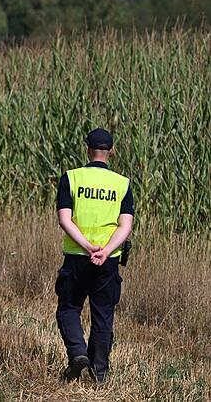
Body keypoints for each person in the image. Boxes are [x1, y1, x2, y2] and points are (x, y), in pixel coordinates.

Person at [55, 128, 134, 383]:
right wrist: (106, 250)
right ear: (111, 151)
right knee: (103, 315)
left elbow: (64, 220)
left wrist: (87, 247)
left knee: (69, 308)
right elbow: (125, 225)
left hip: (77, 257)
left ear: (87, 149)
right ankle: (98, 374)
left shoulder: (71, 178)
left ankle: (78, 352)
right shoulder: (122, 184)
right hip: (108, 260)